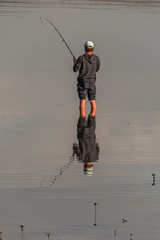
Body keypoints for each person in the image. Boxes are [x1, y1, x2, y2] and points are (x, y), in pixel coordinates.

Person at [73, 41, 100, 117]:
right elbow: (97, 70)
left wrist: (75, 63)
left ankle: (82, 121)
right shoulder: (96, 58)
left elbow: (75, 70)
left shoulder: (81, 58)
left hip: (83, 82)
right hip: (92, 82)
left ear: (85, 48)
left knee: (82, 102)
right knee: (92, 101)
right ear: (93, 49)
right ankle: (92, 121)